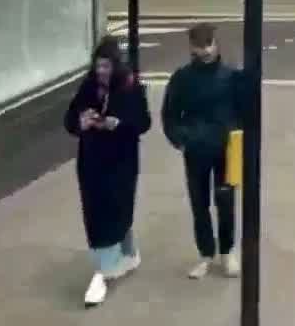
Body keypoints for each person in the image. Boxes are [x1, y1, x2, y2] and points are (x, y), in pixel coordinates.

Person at [66, 38, 150, 307]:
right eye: (98, 66)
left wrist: (120, 124)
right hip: (91, 162)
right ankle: (112, 263)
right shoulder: (88, 87)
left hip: (121, 163)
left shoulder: (130, 87)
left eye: (106, 66)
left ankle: (106, 272)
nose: (101, 71)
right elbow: (69, 119)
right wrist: (81, 121)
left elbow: (143, 122)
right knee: (97, 213)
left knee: (117, 208)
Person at [161, 23, 241, 280]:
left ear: (216, 44)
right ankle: (206, 254)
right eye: (200, 45)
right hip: (195, 151)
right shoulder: (182, 78)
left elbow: (245, 113)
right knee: (200, 204)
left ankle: (227, 252)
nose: (205, 50)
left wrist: (239, 143)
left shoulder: (231, 76)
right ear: (191, 48)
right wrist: (180, 140)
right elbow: (170, 114)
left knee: (226, 202)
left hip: (228, 150)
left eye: (209, 44)